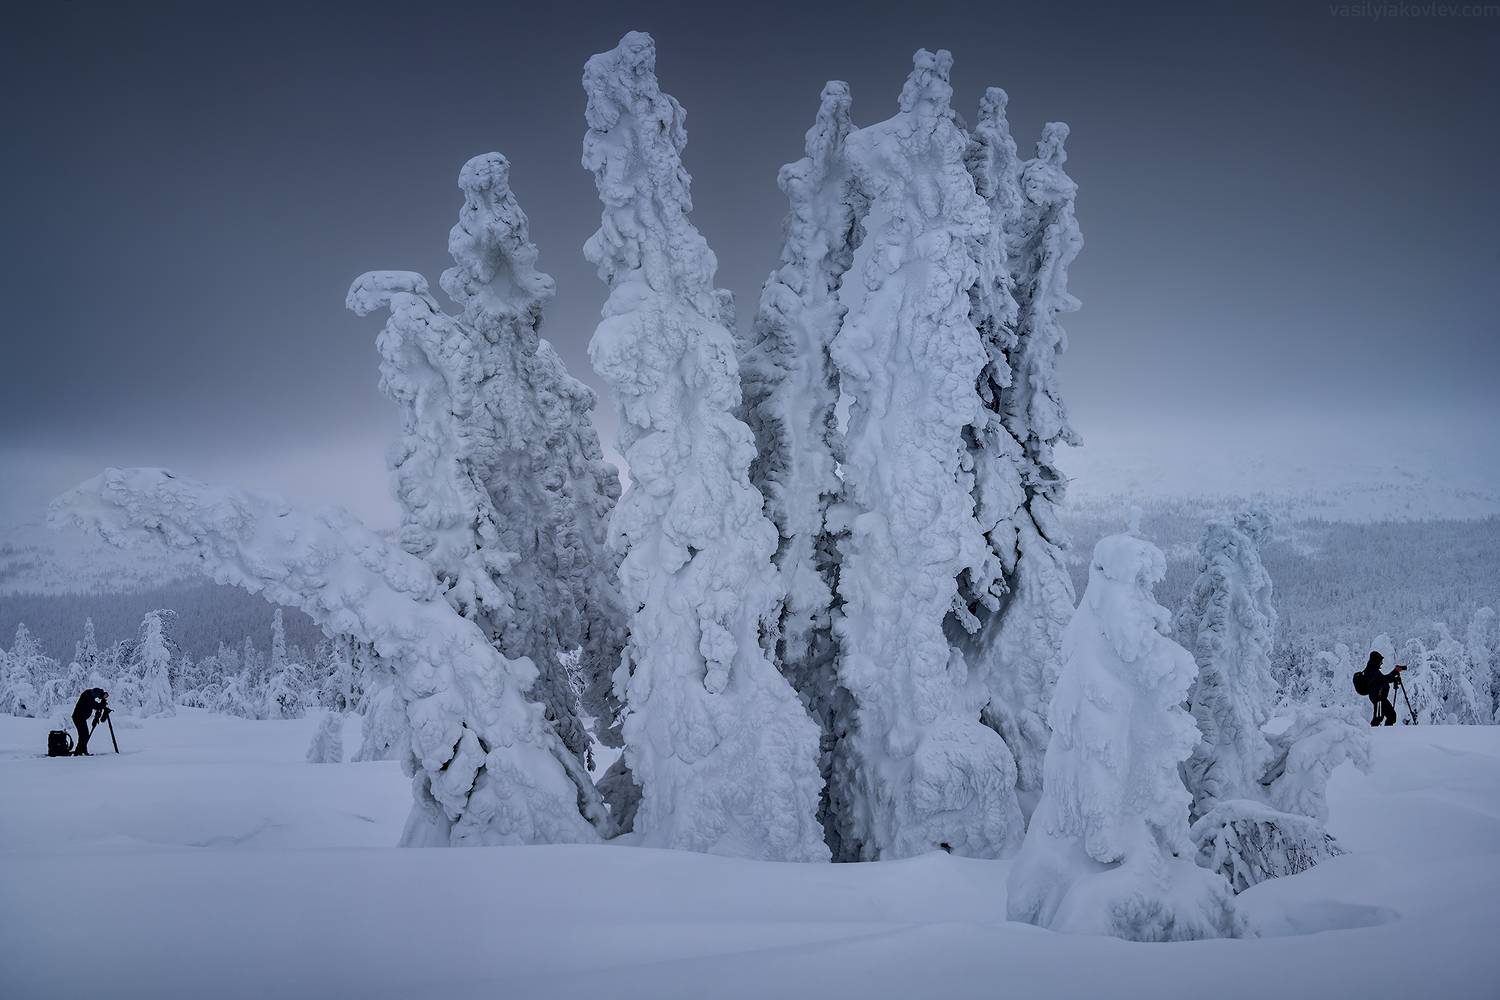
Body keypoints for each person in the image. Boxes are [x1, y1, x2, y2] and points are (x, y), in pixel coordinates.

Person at [1358, 652, 1404, 727]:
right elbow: (1383, 679)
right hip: (1378, 698)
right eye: (1380, 661)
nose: (1381, 663)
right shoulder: (1371, 670)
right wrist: (1394, 675)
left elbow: (1383, 679)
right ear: (1376, 661)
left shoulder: (1373, 670)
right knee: (1378, 718)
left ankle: (1387, 732)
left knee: (1391, 716)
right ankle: (1374, 733)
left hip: (1381, 698)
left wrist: (1395, 672)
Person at [71, 688, 109, 755]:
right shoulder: (88, 698)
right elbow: (97, 706)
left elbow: (96, 705)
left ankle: (82, 751)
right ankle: (78, 752)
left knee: (84, 735)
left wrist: (102, 698)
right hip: (79, 718)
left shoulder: (87, 695)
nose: (97, 697)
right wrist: (103, 701)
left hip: (80, 718)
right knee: (84, 735)